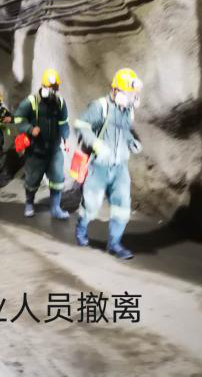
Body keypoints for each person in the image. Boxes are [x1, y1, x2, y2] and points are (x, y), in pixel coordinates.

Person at [73, 68, 143, 259]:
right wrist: (96, 144)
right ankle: (81, 227)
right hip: (99, 166)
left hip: (120, 167)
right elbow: (80, 125)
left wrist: (131, 142)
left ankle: (114, 244)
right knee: (92, 204)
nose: (132, 98)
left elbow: (124, 131)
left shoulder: (127, 111)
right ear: (116, 90)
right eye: (129, 94)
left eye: (133, 94)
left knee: (122, 206)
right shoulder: (100, 107)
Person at [14, 68, 70, 219]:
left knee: (57, 178)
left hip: (54, 150)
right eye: (51, 87)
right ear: (44, 86)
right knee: (32, 180)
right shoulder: (31, 102)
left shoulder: (59, 102)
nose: (53, 91)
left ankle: (55, 208)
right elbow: (18, 118)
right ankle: (29, 203)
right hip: (36, 150)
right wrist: (30, 129)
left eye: (55, 88)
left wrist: (65, 138)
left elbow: (63, 122)